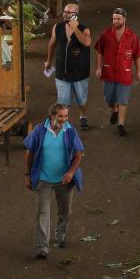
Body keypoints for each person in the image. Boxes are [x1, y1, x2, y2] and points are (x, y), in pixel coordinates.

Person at [23, 103, 85, 260]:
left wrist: (71, 173)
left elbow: (78, 154)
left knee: (65, 211)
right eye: (60, 116)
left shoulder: (70, 131)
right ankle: (41, 247)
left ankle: (60, 235)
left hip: (64, 180)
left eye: (66, 116)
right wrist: (27, 174)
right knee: (42, 213)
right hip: (43, 179)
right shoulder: (39, 131)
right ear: (52, 116)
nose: (64, 119)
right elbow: (29, 152)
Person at [94, 7, 140, 137]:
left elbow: (137, 55)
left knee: (123, 100)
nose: (115, 21)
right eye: (114, 18)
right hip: (109, 72)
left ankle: (121, 125)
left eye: (118, 19)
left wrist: (138, 71)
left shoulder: (132, 37)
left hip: (124, 73)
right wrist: (98, 67)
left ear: (124, 19)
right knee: (109, 98)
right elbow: (99, 51)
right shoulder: (105, 35)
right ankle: (114, 109)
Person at [45, 4, 93, 129]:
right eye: (64, 11)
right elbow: (51, 44)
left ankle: (83, 116)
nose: (65, 14)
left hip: (79, 73)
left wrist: (75, 28)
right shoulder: (57, 27)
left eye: (68, 12)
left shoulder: (84, 29)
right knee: (62, 101)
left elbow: (87, 42)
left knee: (81, 99)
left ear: (76, 14)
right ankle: (61, 122)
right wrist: (48, 61)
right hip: (62, 72)